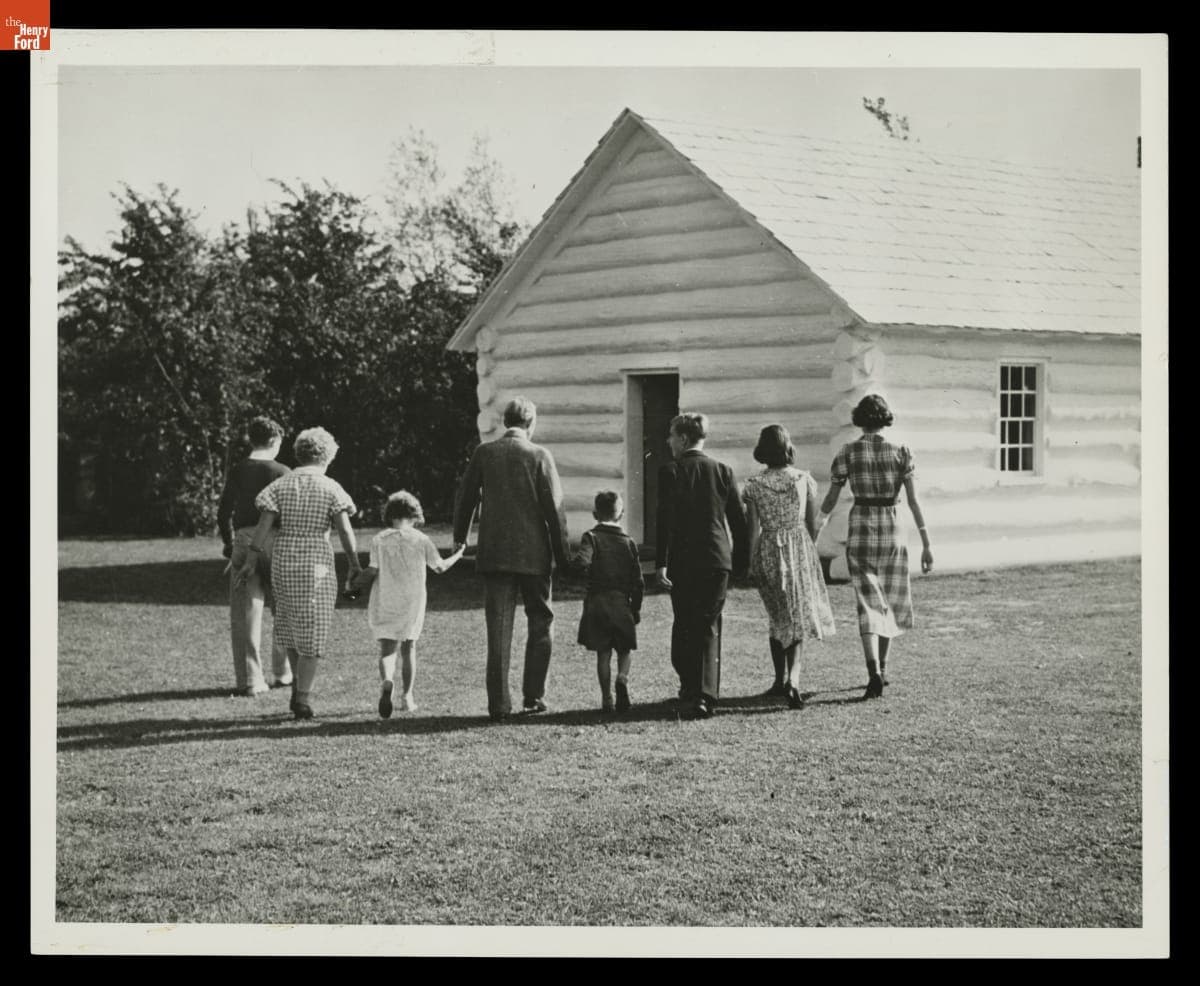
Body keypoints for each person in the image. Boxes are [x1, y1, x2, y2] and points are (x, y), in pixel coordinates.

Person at [452, 396, 571, 722]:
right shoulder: (539, 455)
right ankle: (533, 697)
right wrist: (564, 556)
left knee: (499, 628)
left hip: (496, 553)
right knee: (541, 622)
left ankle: (499, 704)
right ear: (531, 422)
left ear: (506, 421)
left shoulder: (484, 453)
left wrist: (460, 538)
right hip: (535, 554)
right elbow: (554, 511)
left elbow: (465, 499)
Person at [234, 426, 361, 720]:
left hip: (283, 560)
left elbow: (264, 526)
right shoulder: (331, 487)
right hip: (316, 563)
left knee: (291, 628)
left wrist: (252, 560)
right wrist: (354, 563)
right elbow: (344, 529)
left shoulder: (281, 485)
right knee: (314, 631)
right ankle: (302, 697)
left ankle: (297, 689)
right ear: (327, 456)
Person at [817, 395, 933, 700]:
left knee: (868, 602)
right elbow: (913, 501)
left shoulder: (849, 452)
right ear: (885, 419)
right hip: (892, 528)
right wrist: (926, 542)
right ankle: (883, 666)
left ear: (860, 419)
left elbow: (830, 499)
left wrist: (816, 526)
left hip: (862, 529)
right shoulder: (901, 451)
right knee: (891, 598)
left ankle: (874, 673)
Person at [655, 412, 748, 720]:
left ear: (683, 438)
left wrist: (661, 564)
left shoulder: (670, 471)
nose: (669, 442)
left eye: (671, 436)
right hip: (716, 559)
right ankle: (701, 691)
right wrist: (742, 562)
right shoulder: (722, 470)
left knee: (684, 622)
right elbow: (738, 522)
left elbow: (664, 523)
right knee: (708, 625)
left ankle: (695, 689)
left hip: (683, 560)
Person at [742, 425, 836, 709]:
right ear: (788, 448)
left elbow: (753, 530)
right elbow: (811, 523)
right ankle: (793, 681)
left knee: (777, 616)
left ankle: (779, 679)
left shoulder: (754, 484)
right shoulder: (803, 479)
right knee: (795, 616)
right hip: (798, 546)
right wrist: (813, 543)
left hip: (769, 547)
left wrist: (750, 561)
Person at [352, 491, 465, 719]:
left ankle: (387, 681)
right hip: (412, 599)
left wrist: (354, 584)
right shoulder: (420, 539)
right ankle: (407, 697)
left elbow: (372, 570)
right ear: (415, 514)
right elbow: (440, 567)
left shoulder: (379, 539)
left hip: (386, 596)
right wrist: (459, 554)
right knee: (409, 646)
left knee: (387, 648)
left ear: (390, 514)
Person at [217, 415, 292, 696]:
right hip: (277, 539)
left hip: (244, 538)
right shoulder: (283, 471)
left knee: (246, 612)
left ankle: (251, 680)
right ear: (274, 441)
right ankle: (283, 672)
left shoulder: (237, 470)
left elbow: (223, 511)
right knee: (283, 608)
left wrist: (228, 543)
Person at [574, 491, 644, 714]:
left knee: (603, 654)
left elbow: (582, 562)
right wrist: (636, 608)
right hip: (622, 603)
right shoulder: (629, 542)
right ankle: (622, 677)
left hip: (597, 603)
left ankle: (606, 698)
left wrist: (574, 568)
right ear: (621, 514)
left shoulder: (591, 538)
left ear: (595, 514)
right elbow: (639, 581)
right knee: (625, 650)